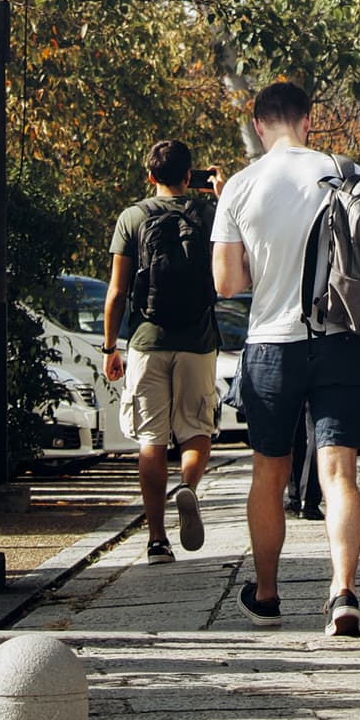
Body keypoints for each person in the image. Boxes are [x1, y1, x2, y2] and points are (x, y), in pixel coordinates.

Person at [210, 79, 360, 637]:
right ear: (309, 120)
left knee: (268, 471)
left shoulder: (239, 186)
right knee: (339, 473)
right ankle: (343, 593)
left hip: (271, 345)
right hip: (341, 340)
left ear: (259, 126)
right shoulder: (343, 169)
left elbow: (227, 283)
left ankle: (265, 593)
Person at [101, 139, 221, 563]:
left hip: (148, 340)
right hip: (199, 340)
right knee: (196, 430)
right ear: (190, 176)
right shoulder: (209, 213)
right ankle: (187, 485)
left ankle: (156, 540)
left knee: (150, 439)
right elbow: (230, 264)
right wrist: (220, 194)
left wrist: (110, 347)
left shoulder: (132, 217)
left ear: (151, 177)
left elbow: (117, 291)